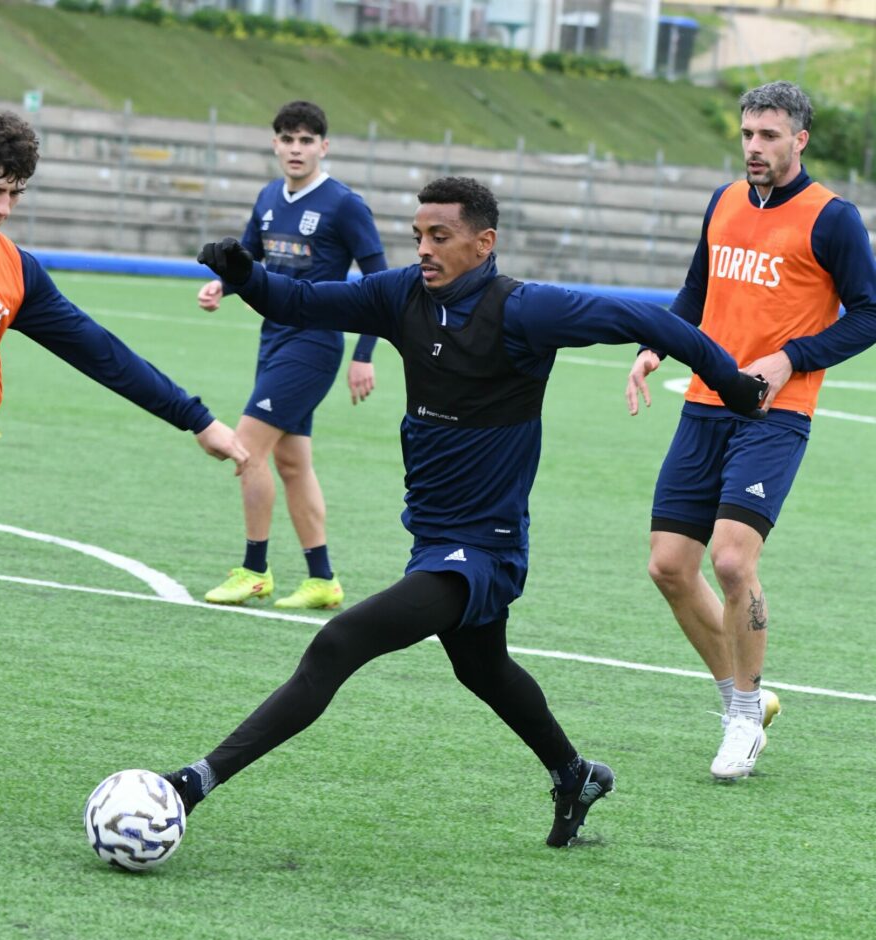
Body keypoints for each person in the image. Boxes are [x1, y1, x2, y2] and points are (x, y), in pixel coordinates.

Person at [160, 176, 767, 848]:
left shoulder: (525, 311)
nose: (423, 248)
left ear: (484, 243)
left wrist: (733, 384)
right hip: (433, 533)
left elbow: (651, 321)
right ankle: (574, 775)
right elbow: (300, 301)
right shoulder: (400, 296)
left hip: (486, 546)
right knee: (481, 666)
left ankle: (191, 785)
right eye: (418, 235)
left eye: (440, 236)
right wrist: (245, 273)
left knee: (338, 643)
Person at [0, 108, 248, 788]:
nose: (3, 207)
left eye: (16, 193)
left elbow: (100, 352)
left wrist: (197, 419)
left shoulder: (15, 270)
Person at [626, 81, 876, 780]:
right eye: (747, 134)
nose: (755, 147)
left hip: (775, 415)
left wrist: (791, 358)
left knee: (733, 563)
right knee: (668, 567)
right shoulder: (724, 201)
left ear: (800, 139)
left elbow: (868, 314)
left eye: (769, 135)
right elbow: (696, 292)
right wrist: (656, 345)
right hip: (704, 404)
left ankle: (741, 720)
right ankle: (744, 700)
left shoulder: (833, 218)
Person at [198, 101, 387, 611]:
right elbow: (248, 260)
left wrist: (364, 354)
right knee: (291, 463)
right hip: (274, 340)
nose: (296, 149)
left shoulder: (344, 205)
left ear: (324, 147)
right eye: (287, 139)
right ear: (275, 144)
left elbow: (380, 283)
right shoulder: (267, 197)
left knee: (246, 448)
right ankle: (322, 580)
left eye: (306, 140)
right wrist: (223, 285)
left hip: (314, 343)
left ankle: (254, 571)